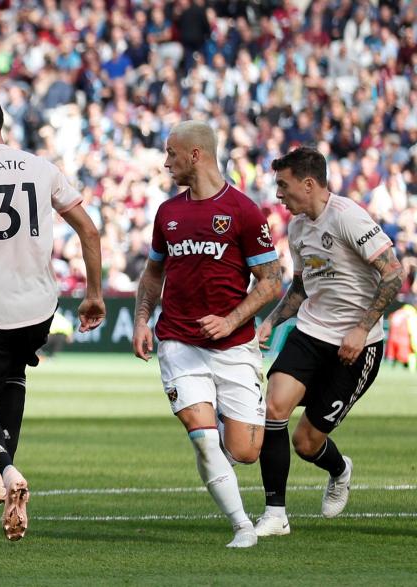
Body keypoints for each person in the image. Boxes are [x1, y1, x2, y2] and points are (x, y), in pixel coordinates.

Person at [0, 90, 106, 541]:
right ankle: (0, 474)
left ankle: (8, 472)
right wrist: (94, 294)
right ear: (2, 124)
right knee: (14, 379)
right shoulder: (42, 167)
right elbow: (89, 229)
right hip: (37, 306)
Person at [132, 120, 282, 548]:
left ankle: (220, 421)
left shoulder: (244, 211)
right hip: (178, 340)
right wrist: (143, 320)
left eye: (171, 154)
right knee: (202, 440)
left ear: (195, 155)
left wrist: (232, 320)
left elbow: (271, 280)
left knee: (246, 451)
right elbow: (152, 273)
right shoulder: (168, 212)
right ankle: (242, 527)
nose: (166, 163)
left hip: (234, 346)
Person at [254, 147, 404, 536]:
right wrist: (271, 321)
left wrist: (360, 328)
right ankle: (275, 514)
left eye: (283, 186)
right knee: (273, 406)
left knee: (306, 442)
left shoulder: (349, 217)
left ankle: (339, 469)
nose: (278, 195)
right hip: (310, 333)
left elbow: (393, 274)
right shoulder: (299, 227)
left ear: (308, 183)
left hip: (357, 346)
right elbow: (301, 287)